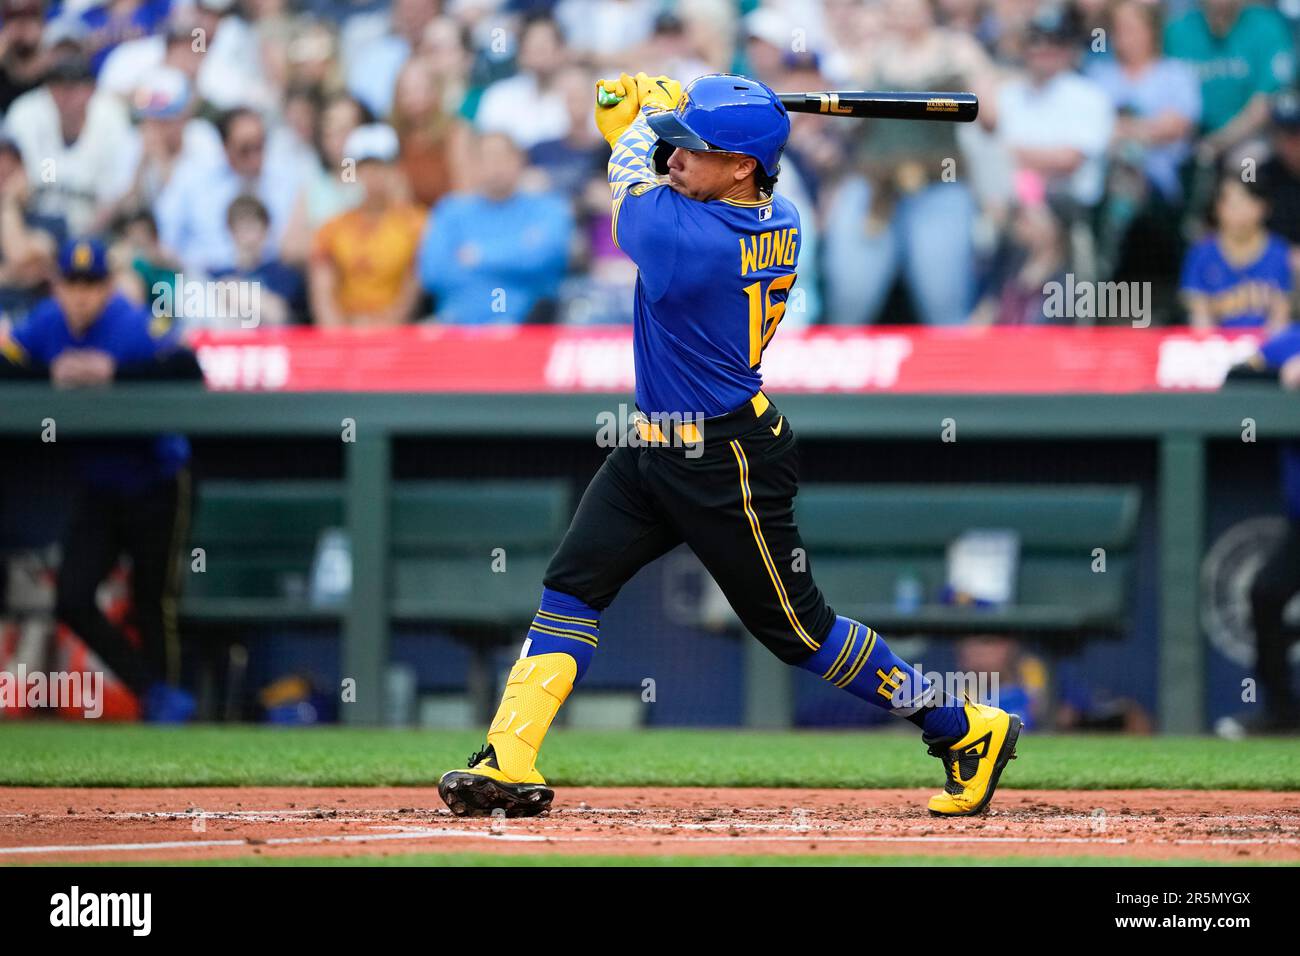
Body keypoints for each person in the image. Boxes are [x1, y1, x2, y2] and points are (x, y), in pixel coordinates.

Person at [438, 72, 1021, 820]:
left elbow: (630, 180)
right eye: (675, 147)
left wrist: (642, 120)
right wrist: (678, 113)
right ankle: (508, 755)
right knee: (573, 586)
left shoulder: (689, 240)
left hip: (726, 457)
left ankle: (964, 726)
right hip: (653, 446)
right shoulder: (773, 215)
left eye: (694, 149)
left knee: (801, 632)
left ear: (742, 166)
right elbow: (666, 173)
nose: (675, 158)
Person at [0, 237, 202, 722]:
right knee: (71, 596)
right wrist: (52, 371)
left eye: (92, 284)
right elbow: (9, 362)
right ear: (57, 284)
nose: (81, 295)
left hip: (156, 477)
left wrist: (114, 371)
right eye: (73, 283)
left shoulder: (131, 323)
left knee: (152, 601)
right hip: (99, 484)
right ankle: (152, 691)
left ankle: (169, 704)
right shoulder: (47, 323)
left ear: (107, 286)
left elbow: (187, 368)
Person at [417, 131, 571, 324]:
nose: (495, 166)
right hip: (456, 325)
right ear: (474, 165)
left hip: (528, 326)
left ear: (519, 161)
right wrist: (518, 253)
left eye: (502, 157)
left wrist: (480, 255)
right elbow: (433, 272)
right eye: (487, 158)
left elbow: (548, 257)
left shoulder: (548, 208)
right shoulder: (450, 211)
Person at [309, 124, 424, 328]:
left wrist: (381, 328)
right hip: (346, 333)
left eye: (380, 166)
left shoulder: (417, 225)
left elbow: (412, 289)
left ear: (394, 169)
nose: (373, 175)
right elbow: (323, 292)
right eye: (365, 167)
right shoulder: (332, 228)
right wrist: (340, 335)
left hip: (396, 335)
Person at [1180, 175, 1291, 331]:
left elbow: (1282, 314)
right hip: (1216, 347)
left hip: (1266, 348)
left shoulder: (1280, 253)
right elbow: (1196, 310)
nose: (1238, 212)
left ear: (1262, 207)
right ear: (1217, 208)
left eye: (1245, 203)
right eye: (1231, 204)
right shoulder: (1201, 253)